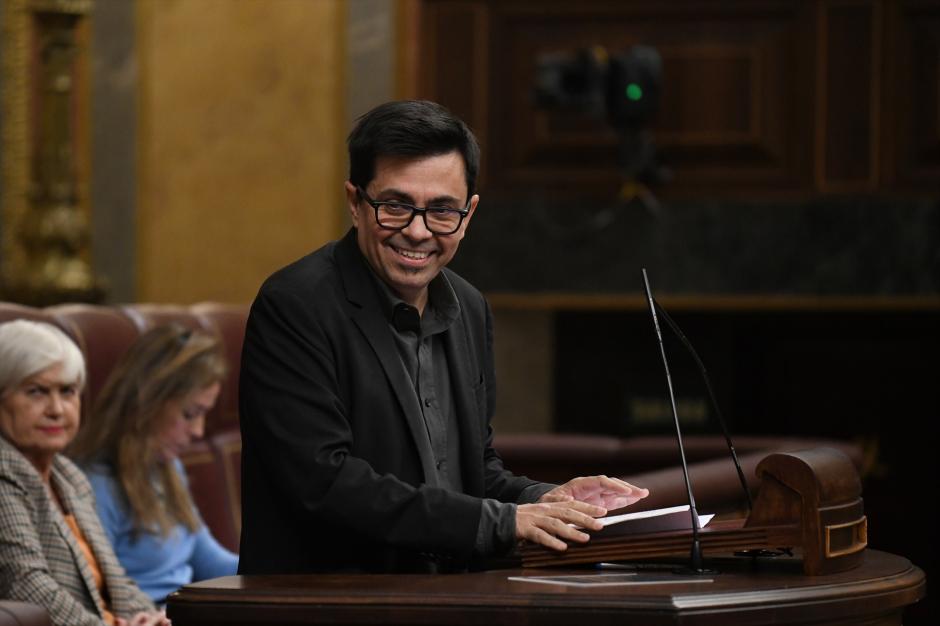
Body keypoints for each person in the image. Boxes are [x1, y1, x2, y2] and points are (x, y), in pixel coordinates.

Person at [238, 99, 649, 575]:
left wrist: (544, 500)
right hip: (325, 601)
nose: (417, 231)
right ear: (355, 203)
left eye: (442, 211)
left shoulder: (470, 308)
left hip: (443, 596)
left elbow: (473, 472)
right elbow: (323, 481)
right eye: (395, 207)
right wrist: (502, 520)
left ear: (468, 214)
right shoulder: (295, 304)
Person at [0, 319, 168, 626]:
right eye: (36, 392)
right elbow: (26, 586)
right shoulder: (3, 472)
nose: (57, 409)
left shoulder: (69, 475)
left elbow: (115, 580)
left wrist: (150, 617)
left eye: (67, 391)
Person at [69, 324, 238, 605]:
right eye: (190, 413)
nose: (198, 431)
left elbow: (208, 560)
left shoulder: (166, 467)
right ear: (147, 402)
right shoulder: (95, 482)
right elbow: (97, 595)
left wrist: (286, 571)